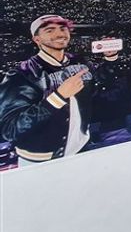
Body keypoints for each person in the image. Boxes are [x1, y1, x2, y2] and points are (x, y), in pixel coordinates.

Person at [0, 14, 122, 167]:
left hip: (81, 146)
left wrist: (111, 58)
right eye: (50, 30)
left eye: (63, 28)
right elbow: (10, 128)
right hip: (41, 159)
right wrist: (58, 97)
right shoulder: (21, 74)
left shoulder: (79, 61)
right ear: (36, 39)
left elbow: (100, 81)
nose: (59, 34)